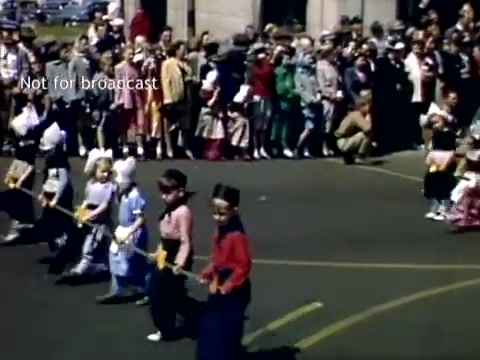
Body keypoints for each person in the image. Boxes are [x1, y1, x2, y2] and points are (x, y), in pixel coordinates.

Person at [196, 183, 252, 360]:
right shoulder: (221, 229)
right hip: (219, 283)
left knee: (227, 331)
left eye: (221, 214)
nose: (217, 218)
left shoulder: (237, 235)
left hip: (235, 289)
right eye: (214, 213)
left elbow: (244, 266)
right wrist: (209, 271)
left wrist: (229, 285)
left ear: (234, 210)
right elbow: (217, 257)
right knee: (211, 328)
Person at [146, 169, 194, 342]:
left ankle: (168, 329)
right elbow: (163, 238)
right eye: (162, 192)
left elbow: (185, 241)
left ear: (180, 191)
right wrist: (157, 253)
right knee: (156, 290)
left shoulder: (183, 212)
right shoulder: (168, 209)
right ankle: (165, 326)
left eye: (167, 192)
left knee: (164, 293)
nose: (163, 197)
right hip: (166, 252)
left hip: (177, 255)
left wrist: (180, 263)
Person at [57, 149, 115, 282]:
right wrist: (81, 210)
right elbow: (87, 200)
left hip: (100, 222)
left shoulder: (109, 187)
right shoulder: (90, 184)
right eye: (102, 171)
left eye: (108, 172)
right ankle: (103, 266)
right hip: (88, 219)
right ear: (95, 170)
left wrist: (91, 214)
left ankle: (81, 270)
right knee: (96, 245)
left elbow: (104, 206)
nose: (105, 175)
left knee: (90, 246)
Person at [97, 157, 148, 304]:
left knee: (134, 262)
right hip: (122, 229)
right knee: (114, 256)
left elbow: (140, 219)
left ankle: (145, 290)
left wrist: (129, 233)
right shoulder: (121, 192)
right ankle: (116, 288)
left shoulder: (134, 195)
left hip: (133, 231)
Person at [0, 101, 47, 243]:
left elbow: (30, 165)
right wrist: (10, 174)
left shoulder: (31, 142)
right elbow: (17, 160)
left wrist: (21, 180)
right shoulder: (19, 142)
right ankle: (22, 224)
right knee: (14, 202)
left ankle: (22, 226)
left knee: (18, 201)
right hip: (18, 175)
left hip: (25, 177)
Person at [36, 121, 73, 252]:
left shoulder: (61, 161)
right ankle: (52, 235)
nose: (46, 153)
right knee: (48, 217)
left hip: (62, 195)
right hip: (50, 193)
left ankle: (65, 237)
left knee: (62, 217)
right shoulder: (49, 161)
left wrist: (57, 197)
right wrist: (43, 193)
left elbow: (63, 181)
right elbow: (46, 178)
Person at [423, 127, 457, 220]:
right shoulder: (451, 153)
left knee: (433, 194)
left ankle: (433, 210)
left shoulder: (432, 153)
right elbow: (453, 165)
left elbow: (428, 163)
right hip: (447, 176)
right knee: (445, 194)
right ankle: (443, 211)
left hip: (433, 175)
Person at [447, 149, 480, 230]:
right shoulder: (468, 154)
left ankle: (464, 221)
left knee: (461, 199)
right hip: (471, 179)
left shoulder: (468, 154)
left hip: (469, 179)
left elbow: (459, 170)